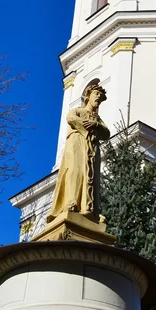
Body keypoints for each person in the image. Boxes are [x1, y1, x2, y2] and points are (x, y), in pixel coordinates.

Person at [47, 84, 110, 223]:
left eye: (100, 98)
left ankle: (89, 208)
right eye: (96, 95)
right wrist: (86, 127)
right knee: (75, 171)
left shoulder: (98, 119)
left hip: (92, 147)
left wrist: (97, 126)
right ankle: (71, 201)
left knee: (91, 176)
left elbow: (106, 133)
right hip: (77, 142)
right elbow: (71, 118)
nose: (98, 99)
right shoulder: (78, 111)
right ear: (88, 96)